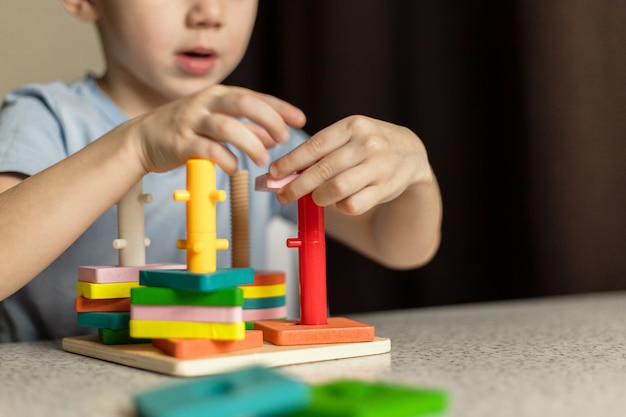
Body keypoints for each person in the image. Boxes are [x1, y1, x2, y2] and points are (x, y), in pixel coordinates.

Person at [0, 0, 442, 342]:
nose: (209, 13)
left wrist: (415, 177)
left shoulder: (258, 132)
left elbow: (399, 246)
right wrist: (132, 148)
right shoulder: (45, 117)